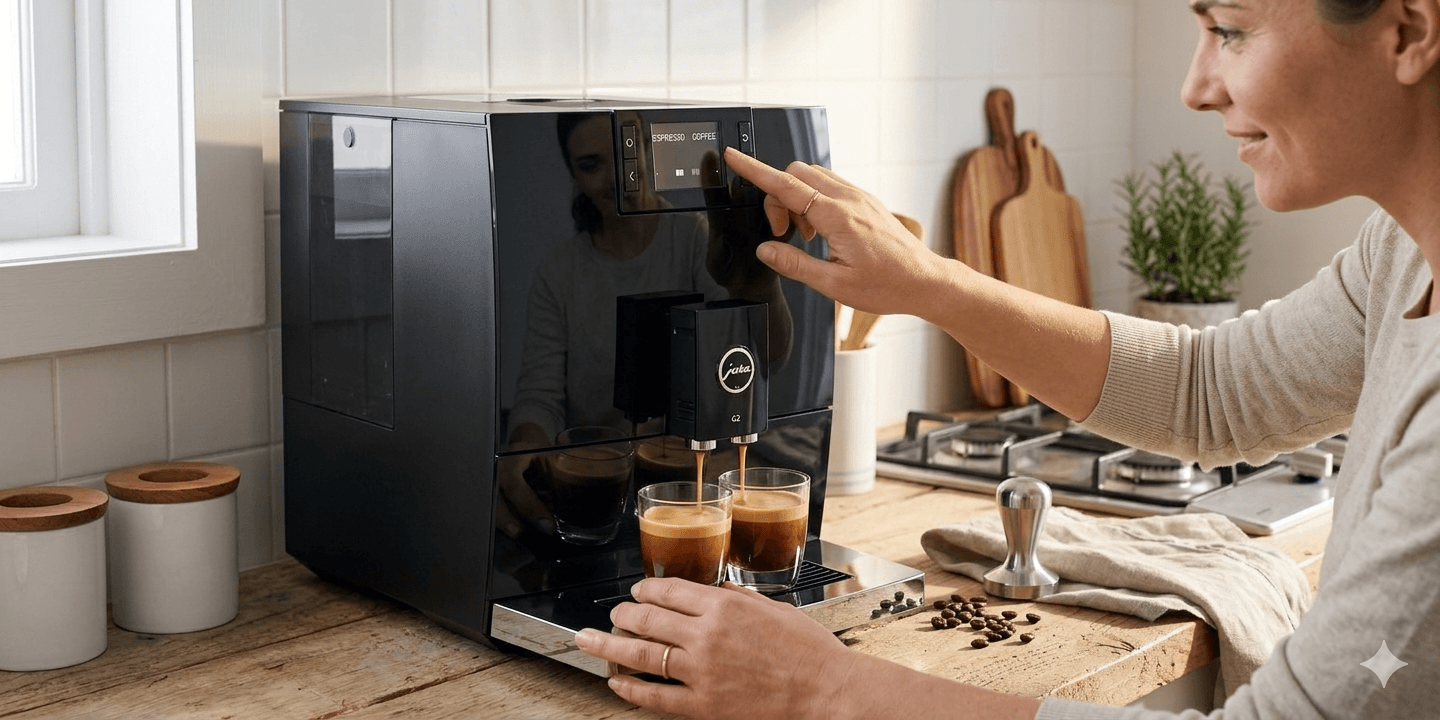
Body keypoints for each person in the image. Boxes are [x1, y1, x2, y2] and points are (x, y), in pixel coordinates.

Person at [573, 0, 1440, 717]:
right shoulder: (1402, 251)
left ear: (1409, 31)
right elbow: (1209, 392)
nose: (1194, 86)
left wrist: (825, 686)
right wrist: (930, 285)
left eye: (1232, 28)